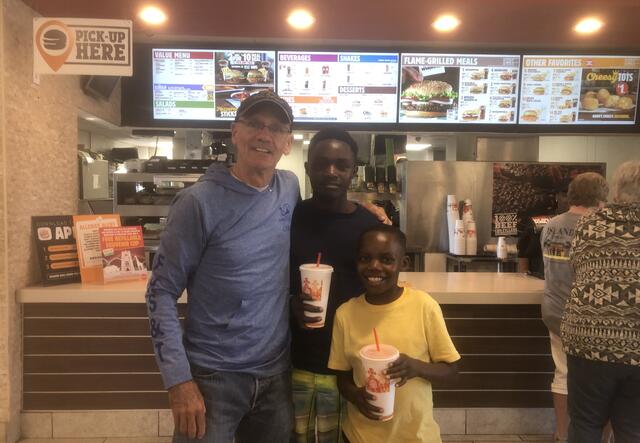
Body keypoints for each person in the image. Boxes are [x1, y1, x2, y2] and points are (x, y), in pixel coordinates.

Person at [146, 90, 299, 443]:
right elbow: (161, 291)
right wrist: (178, 381)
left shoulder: (289, 188)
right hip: (212, 378)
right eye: (255, 124)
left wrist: (372, 215)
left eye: (276, 128)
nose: (265, 135)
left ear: (287, 143)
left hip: (276, 375)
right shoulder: (197, 203)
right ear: (235, 132)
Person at [328, 225, 460, 443]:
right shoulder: (345, 314)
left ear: (403, 263)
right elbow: (342, 377)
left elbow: (452, 371)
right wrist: (356, 396)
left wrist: (416, 367)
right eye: (365, 258)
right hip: (361, 436)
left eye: (387, 259)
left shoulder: (424, 306)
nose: (374, 266)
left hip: (416, 436)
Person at [289, 128, 381, 443]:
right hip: (293, 363)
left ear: (353, 171)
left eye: (341, 165)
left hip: (349, 369)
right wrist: (290, 302)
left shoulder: (369, 227)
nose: (331, 172)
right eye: (322, 163)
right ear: (307, 167)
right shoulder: (289, 217)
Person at [561, 160, 640, 443]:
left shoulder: (588, 224)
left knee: (585, 423)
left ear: (616, 190)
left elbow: (578, 268)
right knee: (632, 428)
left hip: (588, 339)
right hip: (637, 347)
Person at [540, 172, 609, 442]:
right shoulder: (596, 228)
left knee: (563, 373)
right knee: (597, 381)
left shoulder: (551, 225)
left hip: (554, 310)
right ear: (600, 198)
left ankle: (561, 433)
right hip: (586, 317)